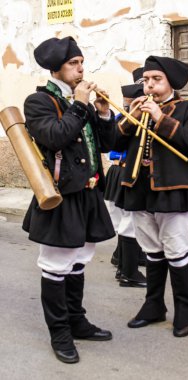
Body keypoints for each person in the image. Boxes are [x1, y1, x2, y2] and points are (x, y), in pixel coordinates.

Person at [22, 36, 116, 364]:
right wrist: (79, 103)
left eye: (81, 62)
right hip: (60, 198)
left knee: (78, 261)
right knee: (56, 266)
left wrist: (103, 114)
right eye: (73, 64)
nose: (81, 68)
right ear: (56, 69)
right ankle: (59, 332)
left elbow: (105, 145)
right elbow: (55, 136)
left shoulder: (83, 101)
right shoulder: (38, 102)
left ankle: (77, 321)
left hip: (88, 194)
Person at [114, 55, 188, 337]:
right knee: (152, 252)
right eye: (146, 80)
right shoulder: (138, 109)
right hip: (140, 190)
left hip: (173, 192)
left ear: (170, 83)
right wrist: (132, 119)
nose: (149, 86)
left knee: (177, 253)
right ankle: (153, 307)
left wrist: (159, 118)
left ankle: (184, 313)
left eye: (156, 80)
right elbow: (114, 142)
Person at [104, 68, 147, 288]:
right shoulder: (126, 119)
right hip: (122, 171)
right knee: (127, 221)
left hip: (120, 171)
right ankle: (127, 270)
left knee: (125, 221)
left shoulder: (126, 116)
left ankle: (122, 262)